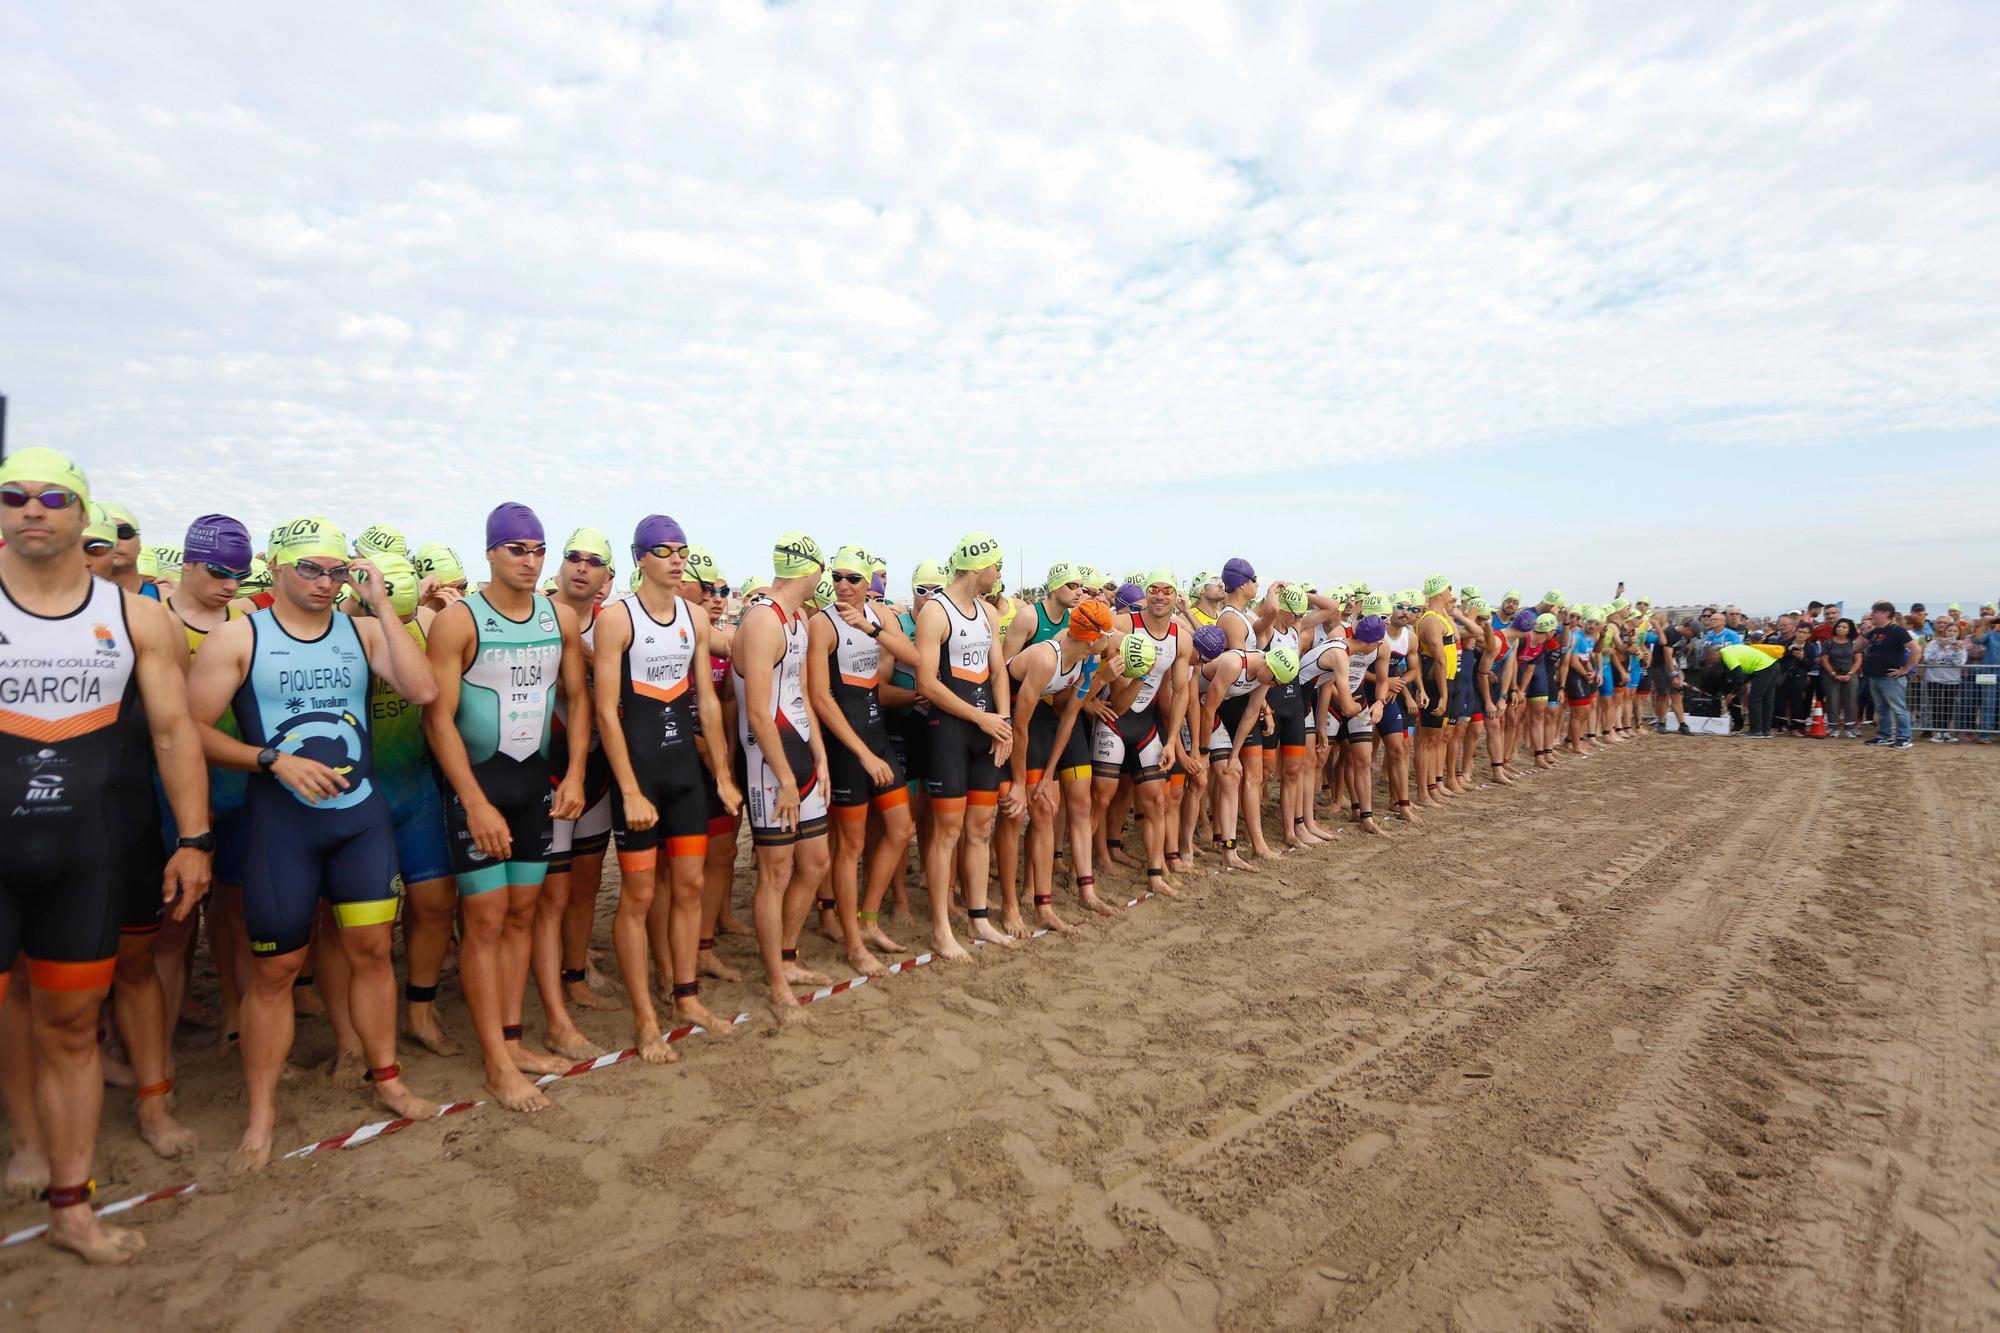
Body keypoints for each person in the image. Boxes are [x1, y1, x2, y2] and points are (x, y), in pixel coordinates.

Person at [0, 449, 212, 1262]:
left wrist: (193, 839)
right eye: (14, 496)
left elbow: (172, 733)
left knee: (70, 1026)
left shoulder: (135, 618)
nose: (32, 509)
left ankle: (71, 1205)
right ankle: (24, 1136)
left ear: (83, 516)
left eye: (53, 498)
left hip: (83, 853)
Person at [184, 514, 441, 1171]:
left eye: (337, 570)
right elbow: (189, 730)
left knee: (373, 949)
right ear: (276, 567)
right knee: (272, 972)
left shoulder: (360, 631)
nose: (327, 582)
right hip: (283, 824)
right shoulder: (238, 638)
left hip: (359, 820)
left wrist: (381, 603)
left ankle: (386, 1077)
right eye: (312, 568)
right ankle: (261, 1115)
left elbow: (423, 688)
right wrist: (271, 760)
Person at [423, 503, 590, 1111]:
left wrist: (573, 771)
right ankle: (495, 1062)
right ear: (490, 552)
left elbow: (576, 697)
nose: (529, 560)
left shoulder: (559, 618)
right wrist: (472, 802)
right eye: (516, 548)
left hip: (533, 786)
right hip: (481, 790)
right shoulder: (460, 622)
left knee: (522, 914)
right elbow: (436, 717)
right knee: (486, 921)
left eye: (538, 549)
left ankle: (514, 1040)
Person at [591, 517, 741, 1056]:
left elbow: (705, 702)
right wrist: (628, 789)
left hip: (684, 774)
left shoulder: (695, 617)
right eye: (664, 551)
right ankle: (645, 1019)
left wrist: (722, 775)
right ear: (640, 558)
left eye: (682, 551)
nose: (677, 560)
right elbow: (607, 713)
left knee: (691, 889)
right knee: (637, 896)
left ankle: (685, 996)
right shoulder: (616, 619)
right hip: (640, 774)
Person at [732, 532, 836, 1020]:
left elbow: (798, 696)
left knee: (815, 862)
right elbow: (756, 713)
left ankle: (789, 958)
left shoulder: (800, 618)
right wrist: (787, 778)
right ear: (811, 570)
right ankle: (776, 983)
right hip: (768, 761)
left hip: (799, 752)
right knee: (776, 872)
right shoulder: (761, 619)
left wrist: (819, 758)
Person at [804, 544, 917, 972]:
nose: (843, 586)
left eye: (853, 578)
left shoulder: (880, 616)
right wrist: (863, 754)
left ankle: (867, 919)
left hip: (876, 735)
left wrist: (871, 629)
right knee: (849, 845)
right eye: (837, 577)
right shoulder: (822, 624)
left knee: (901, 828)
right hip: (847, 745)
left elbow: (916, 658)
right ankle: (852, 942)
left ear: (869, 583)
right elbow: (819, 696)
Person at [914, 532, 1014, 960]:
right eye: (998, 566)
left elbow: (997, 673)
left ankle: (978, 918)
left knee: (980, 829)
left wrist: (1003, 723)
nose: (1000, 574)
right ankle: (940, 928)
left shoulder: (988, 612)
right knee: (947, 833)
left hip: (986, 731)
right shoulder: (936, 612)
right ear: (979, 567)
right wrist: (981, 718)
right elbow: (927, 683)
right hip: (949, 733)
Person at [1005, 599, 1116, 932]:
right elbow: (1019, 725)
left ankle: (1044, 907)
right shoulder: (1044, 658)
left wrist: (1050, 771)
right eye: (1108, 635)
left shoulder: (1088, 659)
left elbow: (1069, 716)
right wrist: (1020, 780)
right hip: (1005, 719)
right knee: (1026, 812)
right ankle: (1021, 903)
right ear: (1093, 638)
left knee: (1045, 808)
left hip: (1040, 721)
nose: (1112, 641)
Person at [1859, 601, 1916, 748]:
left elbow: (1916, 649)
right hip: (1875, 675)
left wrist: (1906, 669)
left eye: (1875, 612)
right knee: (1882, 708)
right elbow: (1857, 648)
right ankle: (1885, 735)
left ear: (1885, 613)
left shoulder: (1897, 630)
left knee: (1898, 708)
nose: (1872, 616)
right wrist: (1863, 632)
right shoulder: (1876, 631)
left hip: (1891, 677)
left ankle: (1904, 736)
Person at [1717, 642, 1781, 738]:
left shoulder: (1727, 655)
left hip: (1763, 667)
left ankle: (1756, 730)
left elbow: (1739, 676)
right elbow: (1745, 670)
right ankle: (1766, 730)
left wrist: (1733, 693)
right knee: (1767, 700)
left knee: (1754, 699)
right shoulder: (1732, 649)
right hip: (1773, 664)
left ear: (1716, 653)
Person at [1922, 622, 1967, 742]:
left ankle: (1945, 731)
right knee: (1936, 705)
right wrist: (1940, 647)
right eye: (1950, 630)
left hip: (1952, 679)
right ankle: (1937, 732)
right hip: (1934, 678)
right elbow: (1928, 659)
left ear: (1959, 634)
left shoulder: (1961, 646)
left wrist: (1957, 650)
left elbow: (1960, 663)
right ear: (1945, 632)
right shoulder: (1933, 643)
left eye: (1955, 631)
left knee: (1949, 705)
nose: (1952, 633)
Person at [1820, 618, 1862, 738]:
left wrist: (1850, 674)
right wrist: (1833, 673)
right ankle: (1833, 727)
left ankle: (1850, 727)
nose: (1841, 629)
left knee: (1850, 701)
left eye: (1844, 627)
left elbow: (1858, 660)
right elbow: (1825, 660)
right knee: (1832, 700)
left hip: (1850, 674)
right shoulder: (1828, 643)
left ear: (1850, 630)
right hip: (1832, 674)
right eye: (1839, 626)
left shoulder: (1854, 643)